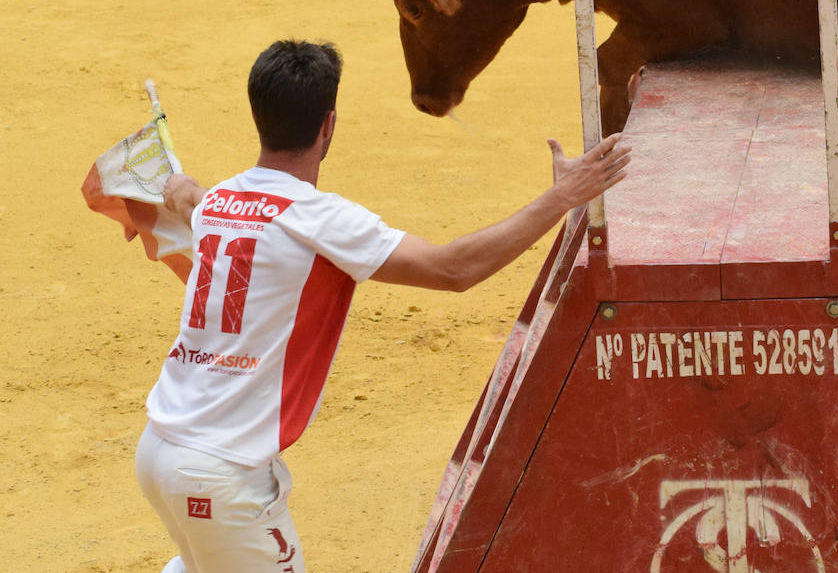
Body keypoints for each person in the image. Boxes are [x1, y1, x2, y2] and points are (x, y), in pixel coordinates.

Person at [136, 39, 630, 573]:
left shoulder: (216, 204)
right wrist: (560, 198)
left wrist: (179, 187)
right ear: (328, 126)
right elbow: (453, 268)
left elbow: (189, 199)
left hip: (160, 452)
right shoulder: (320, 220)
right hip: (220, 475)